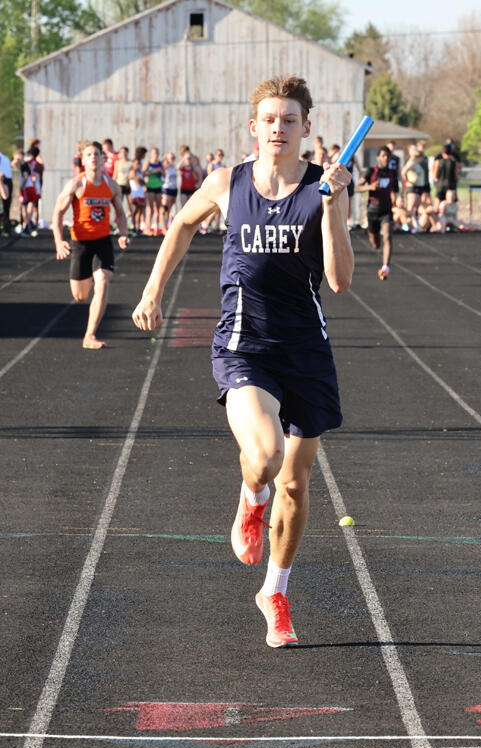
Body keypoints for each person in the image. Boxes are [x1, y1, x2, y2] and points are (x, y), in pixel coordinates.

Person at [132, 75, 354, 648]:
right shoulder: (227, 183)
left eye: (290, 120)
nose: (278, 129)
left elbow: (339, 280)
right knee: (265, 454)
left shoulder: (324, 187)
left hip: (305, 348)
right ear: (252, 126)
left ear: (307, 128)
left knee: (298, 488)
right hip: (243, 344)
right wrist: (153, 290)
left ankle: (274, 592)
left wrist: (331, 206)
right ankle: (249, 498)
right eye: (269, 120)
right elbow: (181, 223)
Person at [52, 141, 129, 349]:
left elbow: (120, 214)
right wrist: (59, 241)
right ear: (83, 160)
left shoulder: (111, 185)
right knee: (80, 296)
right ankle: (89, 328)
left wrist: (122, 234)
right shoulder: (76, 185)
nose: (93, 157)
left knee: (103, 282)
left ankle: (90, 335)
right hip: (80, 244)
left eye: (97, 154)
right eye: (89, 154)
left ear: (103, 159)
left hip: (103, 241)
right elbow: (58, 212)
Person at [355, 145, 397, 280]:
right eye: (383, 156)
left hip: (386, 211)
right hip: (372, 211)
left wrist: (398, 198)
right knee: (376, 243)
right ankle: (374, 238)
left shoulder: (392, 173)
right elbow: (357, 188)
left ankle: (385, 267)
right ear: (378, 157)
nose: (385, 159)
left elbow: (395, 190)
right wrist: (370, 187)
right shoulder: (371, 171)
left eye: (387, 157)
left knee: (387, 237)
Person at [143, 147, 164, 235]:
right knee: (150, 208)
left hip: (158, 186)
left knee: (159, 208)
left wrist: (162, 171)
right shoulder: (148, 163)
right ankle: (147, 228)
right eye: (154, 153)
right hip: (150, 187)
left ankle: (156, 227)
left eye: (157, 153)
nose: (155, 155)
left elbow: (164, 174)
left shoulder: (160, 163)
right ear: (151, 154)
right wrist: (155, 171)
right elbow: (143, 173)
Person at [0, 149, 13, 236]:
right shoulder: (5, 158)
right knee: (5, 207)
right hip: (6, 181)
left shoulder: (3, 158)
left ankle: (6, 228)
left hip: (4, 181)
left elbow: (1, 174)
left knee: (5, 206)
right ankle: (6, 228)